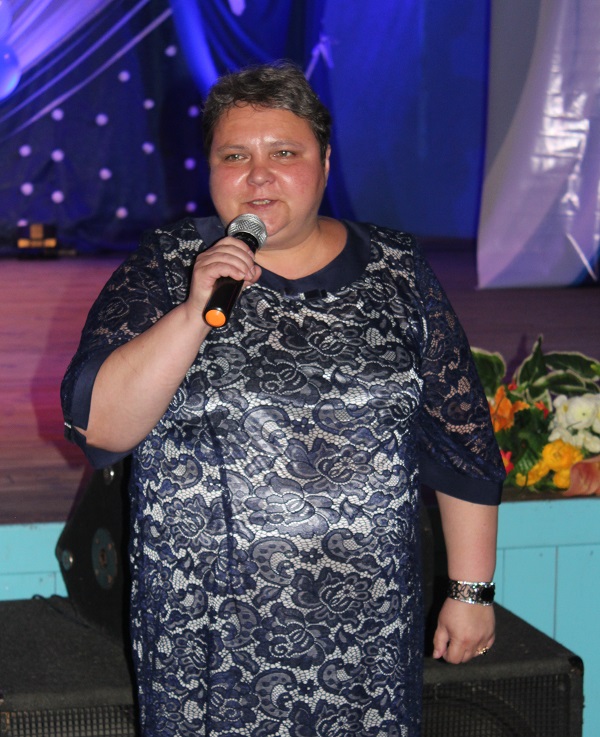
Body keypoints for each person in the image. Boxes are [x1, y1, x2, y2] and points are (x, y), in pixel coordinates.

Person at [61, 61, 505, 737]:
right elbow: (101, 428)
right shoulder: (169, 264)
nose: (258, 176)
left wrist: (471, 592)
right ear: (211, 169)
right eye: (234, 156)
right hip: (206, 633)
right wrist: (193, 312)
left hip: (367, 625)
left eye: (284, 153)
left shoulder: (397, 269)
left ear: (324, 163)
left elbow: (461, 440)